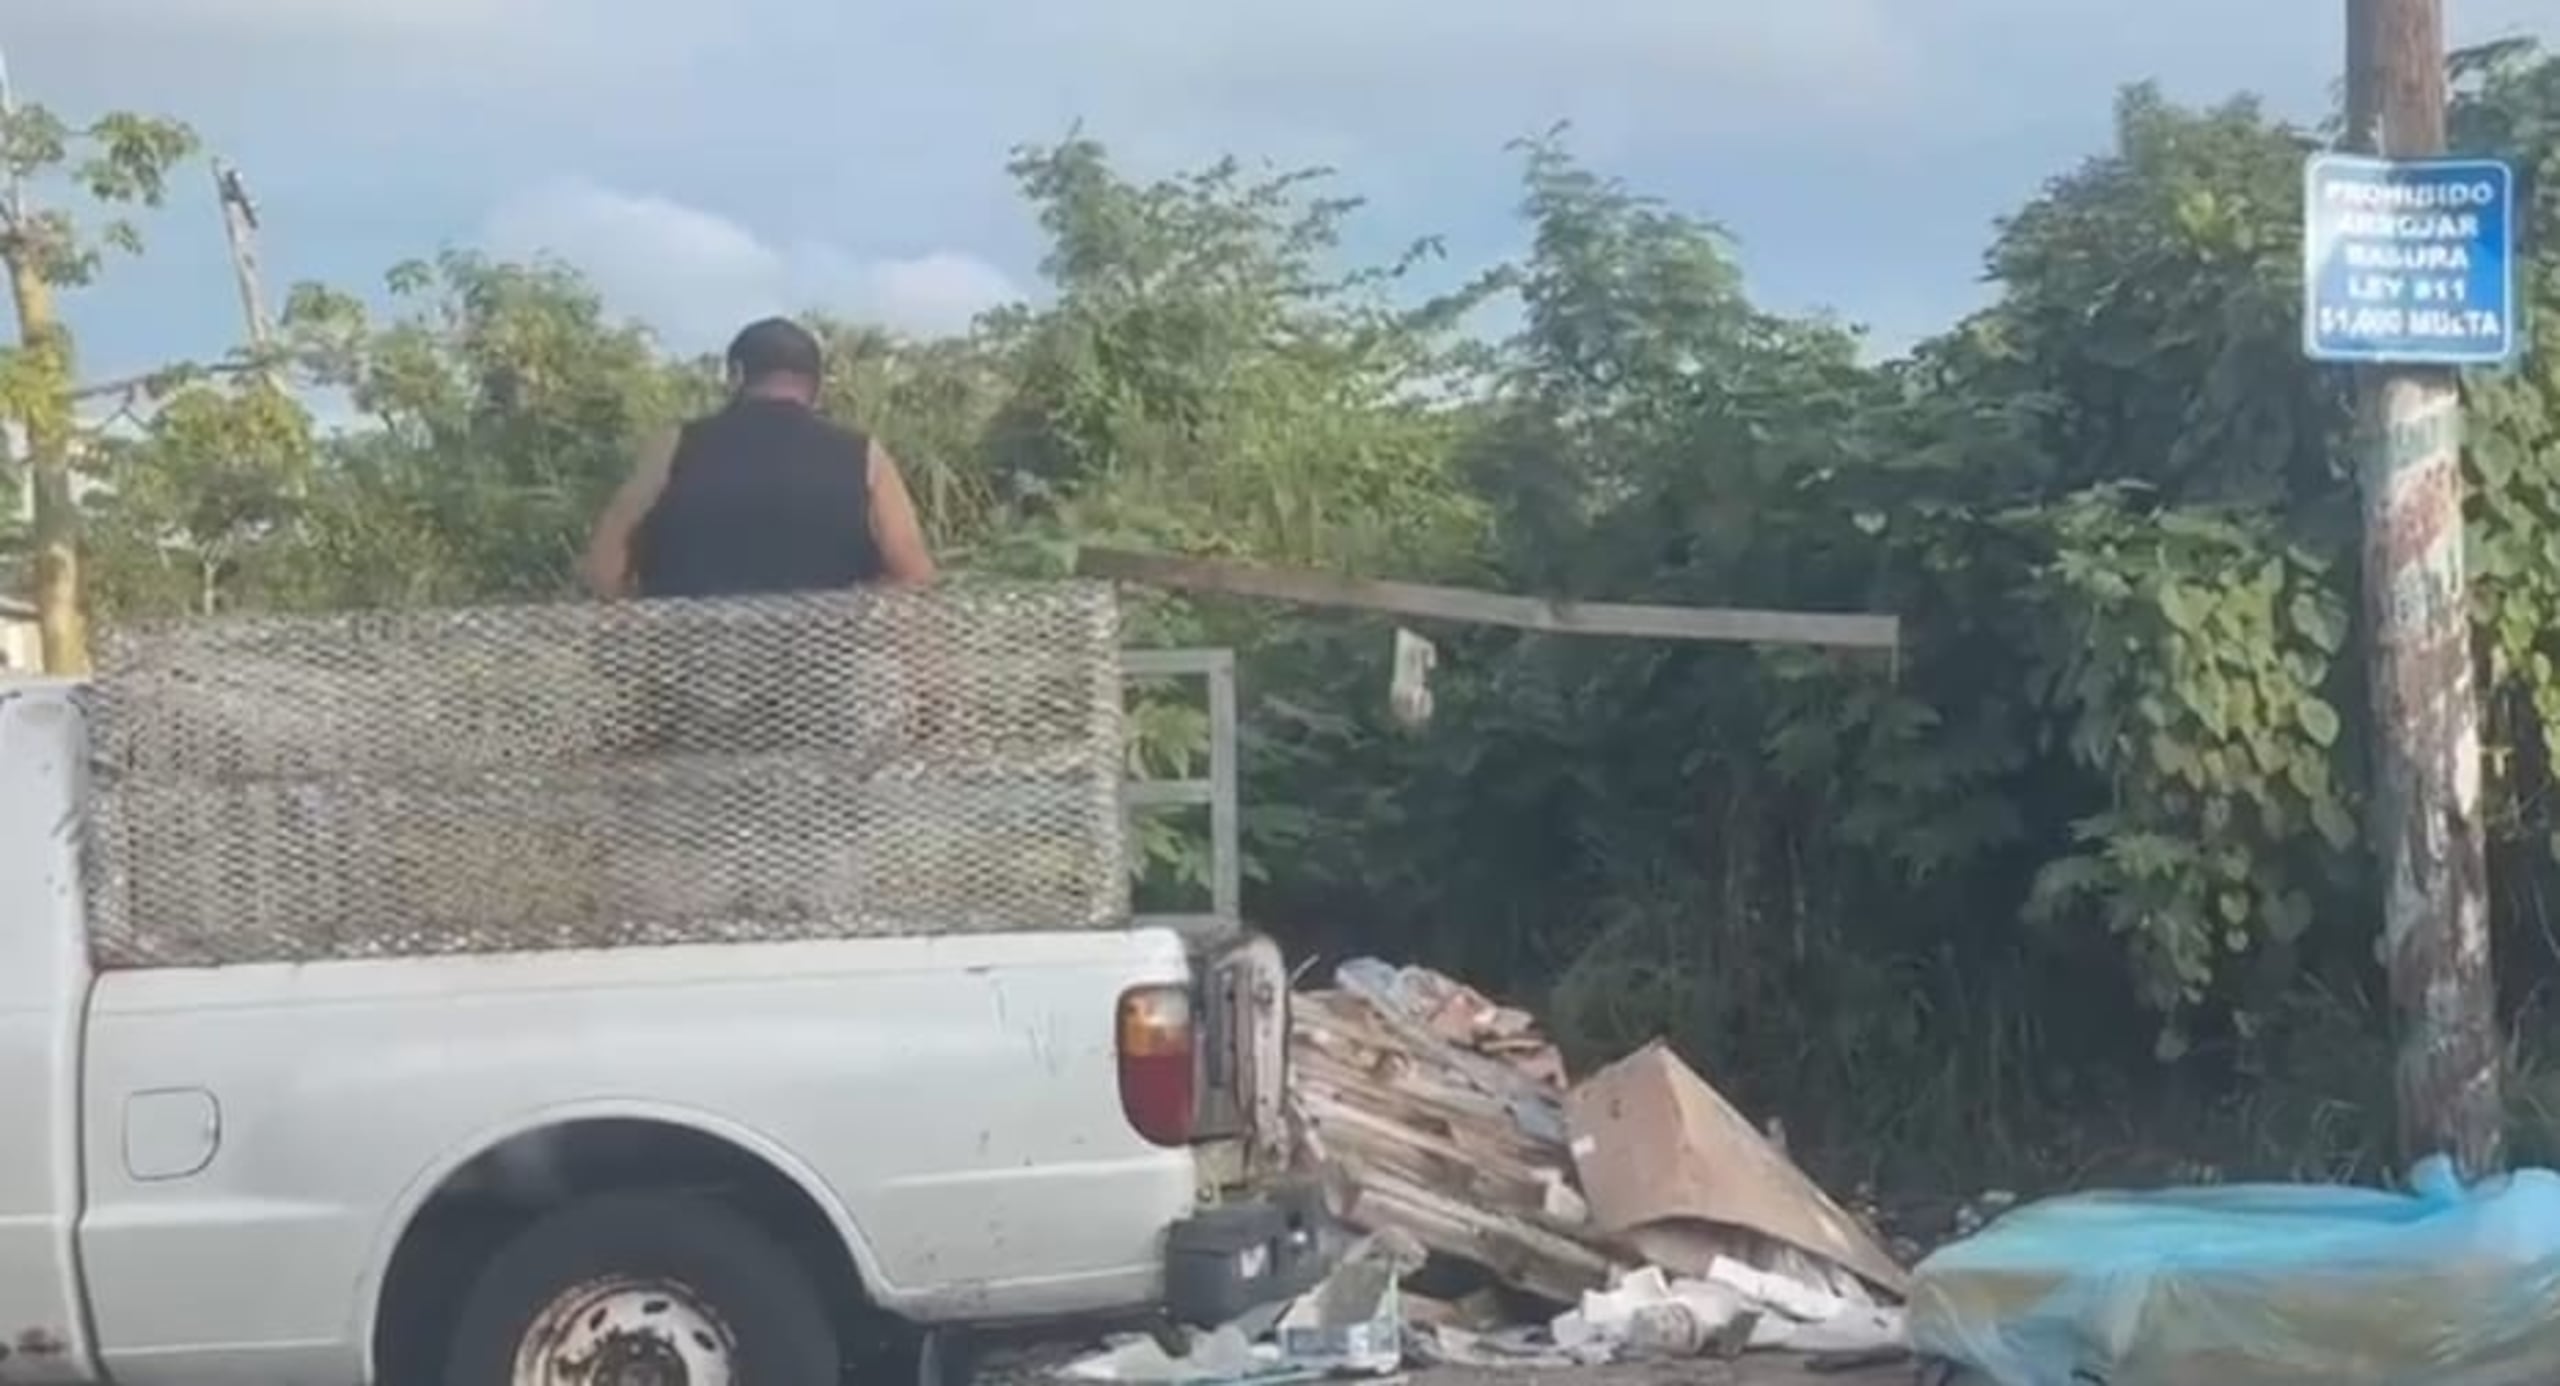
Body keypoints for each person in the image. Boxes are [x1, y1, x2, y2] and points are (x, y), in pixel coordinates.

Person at [581, 316, 936, 599]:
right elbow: (914, 575)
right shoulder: (865, 456)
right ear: (816, 386)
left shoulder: (676, 447)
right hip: (819, 678)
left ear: (736, 375)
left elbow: (603, 568)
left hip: (690, 674)